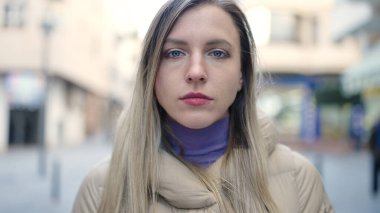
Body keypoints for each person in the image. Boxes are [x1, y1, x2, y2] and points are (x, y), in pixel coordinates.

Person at [73, 0, 334, 212]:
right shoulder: (101, 189)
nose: (196, 72)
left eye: (217, 53)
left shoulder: (298, 180)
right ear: (151, 73)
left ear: (242, 74)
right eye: (175, 53)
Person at [369, 115, 380, 195]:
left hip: (376, 151)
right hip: (376, 151)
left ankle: (375, 189)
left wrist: (372, 150)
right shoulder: (375, 127)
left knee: (375, 171)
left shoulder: (375, 126)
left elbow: (371, 139)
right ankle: (374, 188)